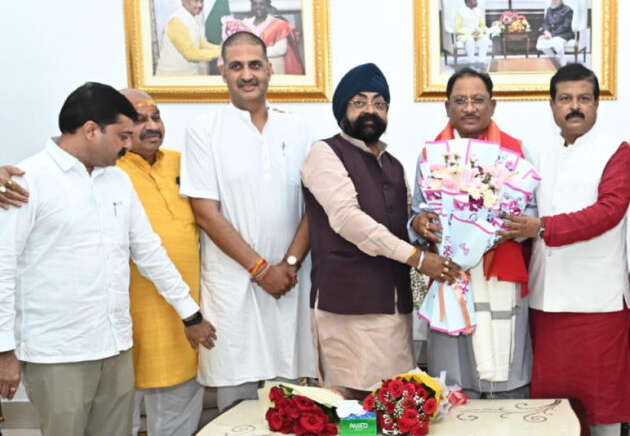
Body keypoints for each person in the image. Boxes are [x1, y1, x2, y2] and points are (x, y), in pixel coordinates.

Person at [0, 82, 216, 436]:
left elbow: (150, 253)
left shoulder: (116, 181)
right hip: (57, 353)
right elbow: (2, 269)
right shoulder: (27, 181)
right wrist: (3, 350)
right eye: (122, 136)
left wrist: (190, 313)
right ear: (91, 130)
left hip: (115, 346)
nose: (127, 145)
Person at [300, 63, 458, 399]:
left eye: (379, 103)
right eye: (359, 102)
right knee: (351, 410)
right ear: (342, 109)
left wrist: (417, 224)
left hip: (395, 307)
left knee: (395, 405)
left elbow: (402, 222)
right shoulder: (324, 153)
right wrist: (418, 258)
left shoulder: (394, 165)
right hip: (347, 307)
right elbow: (347, 219)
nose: (370, 110)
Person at [180, 31, 315, 411]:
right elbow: (205, 213)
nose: (247, 74)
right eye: (236, 66)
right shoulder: (204, 130)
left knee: (291, 398)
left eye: (255, 65)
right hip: (233, 286)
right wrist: (261, 269)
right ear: (222, 72)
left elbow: (314, 205)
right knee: (234, 402)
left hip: (289, 284)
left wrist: (289, 265)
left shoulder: (298, 128)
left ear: (270, 69)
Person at [502, 64, 630, 436]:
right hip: (546, 300)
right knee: (551, 408)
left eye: (584, 99)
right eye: (565, 98)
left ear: (596, 104)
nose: (574, 106)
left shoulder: (616, 151)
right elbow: (517, 207)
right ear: (552, 105)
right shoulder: (536, 154)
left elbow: (609, 211)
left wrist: (543, 227)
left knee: (603, 405)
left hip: (598, 302)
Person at [409, 67, 534, 399]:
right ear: (447, 107)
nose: (469, 108)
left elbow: (533, 214)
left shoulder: (516, 153)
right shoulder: (430, 155)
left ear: (493, 106)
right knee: (453, 380)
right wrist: (420, 224)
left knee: (507, 381)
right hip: (450, 276)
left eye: (477, 100)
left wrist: (508, 227)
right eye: (460, 100)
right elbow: (416, 214)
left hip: (501, 271)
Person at [116, 89, 204, 436]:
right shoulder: (105, 169)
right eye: (140, 120)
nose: (152, 126)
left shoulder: (183, 163)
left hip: (183, 312)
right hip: (129, 315)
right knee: (117, 414)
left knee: (178, 407)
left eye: (156, 117)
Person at [157, 0, 221, 75]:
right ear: (184, 0)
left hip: (188, 75)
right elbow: (191, 54)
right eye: (196, 0)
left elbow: (201, 44)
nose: (200, 5)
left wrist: (223, 49)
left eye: (201, 1)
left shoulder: (190, 19)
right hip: (173, 77)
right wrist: (222, 53)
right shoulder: (176, 21)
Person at [241, 0, 303, 75]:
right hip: (252, 69)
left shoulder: (278, 24)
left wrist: (256, 52)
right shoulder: (245, 24)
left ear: (267, 6)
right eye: (255, 4)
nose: (258, 7)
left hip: (274, 68)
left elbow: (281, 49)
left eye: (261, 4)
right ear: (251, 7)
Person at [536, 0, 573, 67]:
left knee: (557, 42)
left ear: (561, 1)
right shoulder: (549, 9)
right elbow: (546, 23)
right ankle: (554, 59)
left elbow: (565, 26)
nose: (553, 2)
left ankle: (563, 62)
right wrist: (546, 32)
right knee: (541, 42)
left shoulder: (568, 10)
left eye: (556, 0)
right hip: (550, 33)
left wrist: (552, 35)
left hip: (563, 33)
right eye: (552, 0)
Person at [455, 0, 490, 68]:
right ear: (468, 2)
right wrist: (470, 33)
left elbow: (483, 26)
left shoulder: (478, 11)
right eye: (474, 0)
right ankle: (471, 62)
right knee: (470, 40)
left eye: (476, 0)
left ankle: (481, 62)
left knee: (485, 39)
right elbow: (457, 29)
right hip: (465, 36)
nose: (477, 2)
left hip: (477, 35)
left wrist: (479, 31)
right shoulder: (460, 12)